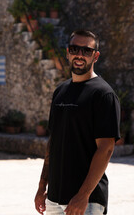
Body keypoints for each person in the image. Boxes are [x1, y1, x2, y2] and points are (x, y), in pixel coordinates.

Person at [34, 30, 120, 215]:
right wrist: (42, 187)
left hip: (85, 202)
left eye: (86, 51)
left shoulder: (103, 95)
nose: (79, 55)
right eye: (74, 49)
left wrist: (83, 195)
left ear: (95, 56)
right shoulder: (60, 91)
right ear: (67, 52)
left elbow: (106, 149)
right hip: (54, 200)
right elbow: (53, 143)